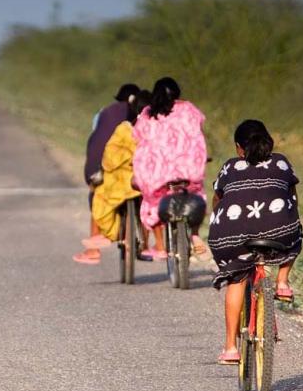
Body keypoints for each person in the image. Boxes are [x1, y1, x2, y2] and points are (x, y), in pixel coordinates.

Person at [208, 119, 302, 365]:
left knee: (236, 281)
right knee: (296, 233)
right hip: (278, 230)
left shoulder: (230, 167)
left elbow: (218, 200)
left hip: (233, 234)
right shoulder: (281, 162)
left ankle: (230, 348)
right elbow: (292, 199)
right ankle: (282, 282)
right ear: (268, 142)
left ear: (239, 148)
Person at [132, 77, 208, 261]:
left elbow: (137, 135)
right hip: (189, 170)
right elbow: (200, 123)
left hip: (158, 173)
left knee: (153, 201)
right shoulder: (188, 108)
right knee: (196, 195)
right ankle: (195, 234)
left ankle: (159, 246)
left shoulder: (147, 114)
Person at [73, 83, 140, 264]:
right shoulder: (146, 115)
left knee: (97, 194)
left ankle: (93, 248)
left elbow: (96, 135)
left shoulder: (104, 112)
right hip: (135, 166)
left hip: (103, 164)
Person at [87, 90, 152, 246]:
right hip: (143, 177)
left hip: (119, 175)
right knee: (150, 203)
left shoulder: (121, 126)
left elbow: (108, 153)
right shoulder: (154, 127)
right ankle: (150, 244)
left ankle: (98, 239)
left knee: (100, 196)